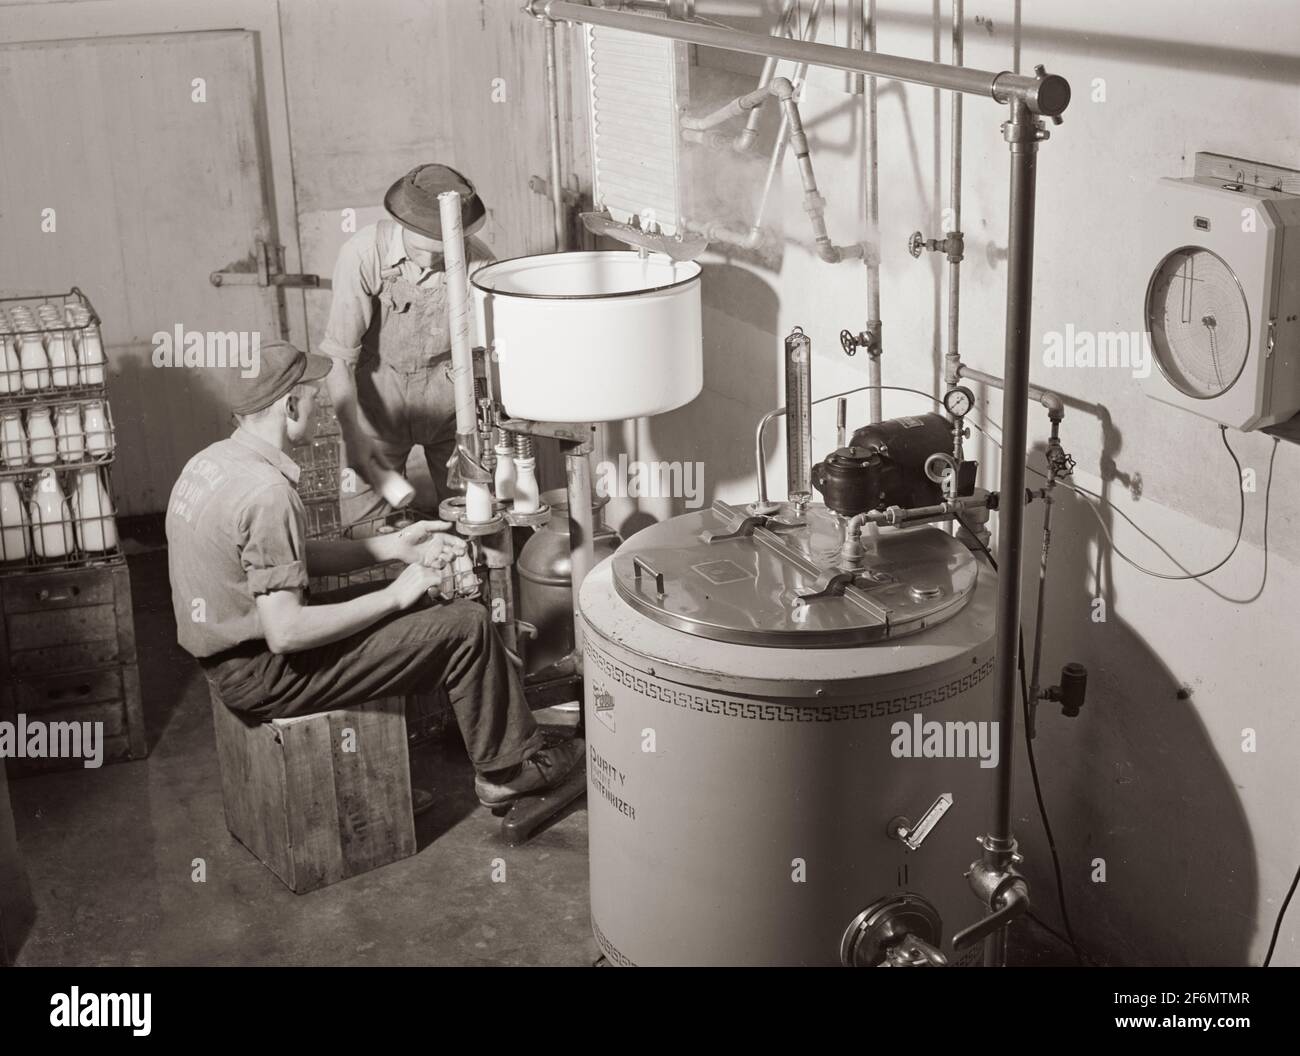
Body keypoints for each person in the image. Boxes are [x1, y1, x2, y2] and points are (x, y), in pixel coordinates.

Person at [164, 340, 582, 808]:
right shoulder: (267, 494)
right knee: (467, 625)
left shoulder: (212, 463)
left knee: (429, 605)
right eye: (312, 393)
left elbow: (282, 558)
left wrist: (395, 548)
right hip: (265, 671)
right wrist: (396, 596)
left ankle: (459, 740)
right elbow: (285, 632)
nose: (320, 403)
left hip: (232, 658)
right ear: (290, 404)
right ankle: (506, 772)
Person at [320, 163, 495, 528]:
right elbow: (339, 356)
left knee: (475, 522)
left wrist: (476, 433)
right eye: (421, 249)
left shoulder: (479, 264)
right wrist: (352, 435)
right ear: (403, 225)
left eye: (443, 253)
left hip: (451, 413)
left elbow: (488, 360)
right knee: (364, 534)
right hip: (377, 410)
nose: (431, 262)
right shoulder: (364, 254)